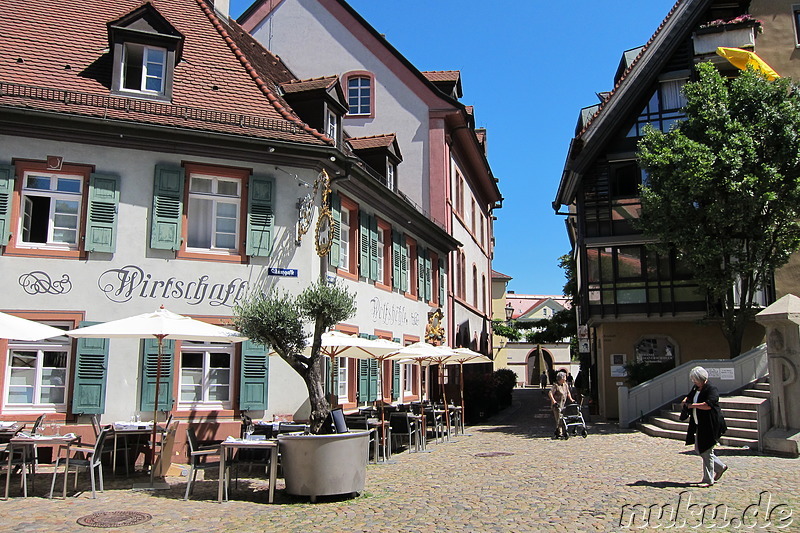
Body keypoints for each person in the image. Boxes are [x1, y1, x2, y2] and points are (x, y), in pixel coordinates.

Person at [680, 366, 728, 487]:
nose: (694, 382)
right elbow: (690, 396)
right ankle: (720, 467)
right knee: (699, 449)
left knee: (706, 451)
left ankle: (708, 479)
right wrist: (686, 400)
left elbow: (708, 405)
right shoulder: (696, 388)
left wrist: (693, 406)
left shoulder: (711, 389)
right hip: (698, 424)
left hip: (710, 425)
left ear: (702, 379)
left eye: (695, 380)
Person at [548, 371, 574, 438]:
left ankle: (559, 431)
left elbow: (568, 393)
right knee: (559, 419)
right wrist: (554, 401)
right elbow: (550, 393)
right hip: (557, 405)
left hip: (563, 404)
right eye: (565, 377)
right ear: (561, 378)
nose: (566, 378)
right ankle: (560, 432)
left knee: (563, 418)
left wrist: (571, 399)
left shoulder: (565, 384)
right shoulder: (556, 385)